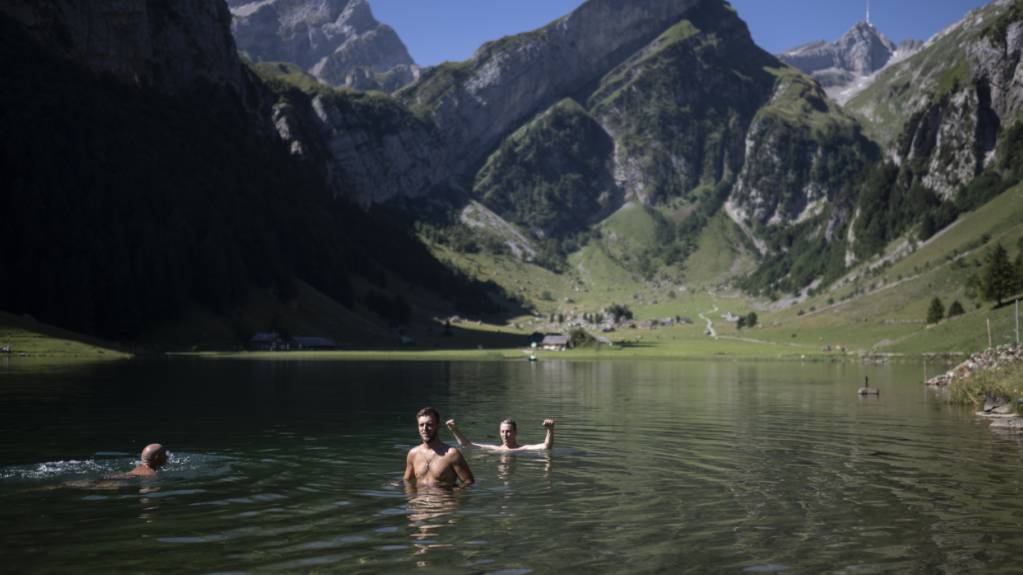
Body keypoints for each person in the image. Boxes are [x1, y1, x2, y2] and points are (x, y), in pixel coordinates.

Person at [404, 407, 474, 489]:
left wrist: (456, 493)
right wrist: (411, 499)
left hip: (443, 500)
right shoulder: (413, 454)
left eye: (429, 424)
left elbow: (468, 482)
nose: (425, 429)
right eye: (421, 425)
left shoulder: (452, 454)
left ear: (438, 426)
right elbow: (407, 481)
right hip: (419, 500)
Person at [446, 418, 555, 452]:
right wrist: (454, 430)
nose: (505, 435)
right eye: (502, 432)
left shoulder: (523, 449)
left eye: (508, 431)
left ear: (516, 432)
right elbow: (466, 444)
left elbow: (546, 446)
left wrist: (550, 429)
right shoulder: (495, 449)